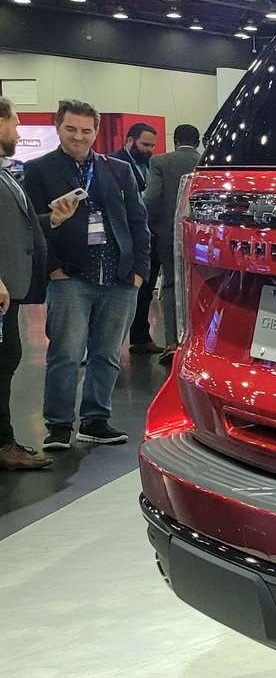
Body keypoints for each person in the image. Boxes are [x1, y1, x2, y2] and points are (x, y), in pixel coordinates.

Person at [21, 100, 150, 450]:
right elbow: (29, 228)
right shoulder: (38, 170)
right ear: (58, 128)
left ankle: (95, 420)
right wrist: (52, 268)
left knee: (107, 354)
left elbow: (138, 223)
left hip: (119, 278)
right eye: (71, 129)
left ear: (95, 132)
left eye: (86, 130)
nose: (79, 136)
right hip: (71, 278)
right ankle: (59, 425)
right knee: (65, 354)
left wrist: (139, 270)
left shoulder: (117, 169)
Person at [1, 98, 82, 470]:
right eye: (14, 124)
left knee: (7, 360)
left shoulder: (4, 173)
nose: (18, 132)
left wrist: (52, 219)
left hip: (12, 288)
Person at [137, 123, 201, 355]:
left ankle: (175, 343)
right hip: (203, 237)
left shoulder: (160, 162)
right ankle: (199, 343)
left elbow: (151, 199)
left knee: (173, 285)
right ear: (198, 142)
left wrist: (150, 227)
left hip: (168, 235)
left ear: (174, 141)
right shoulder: (207, 163)